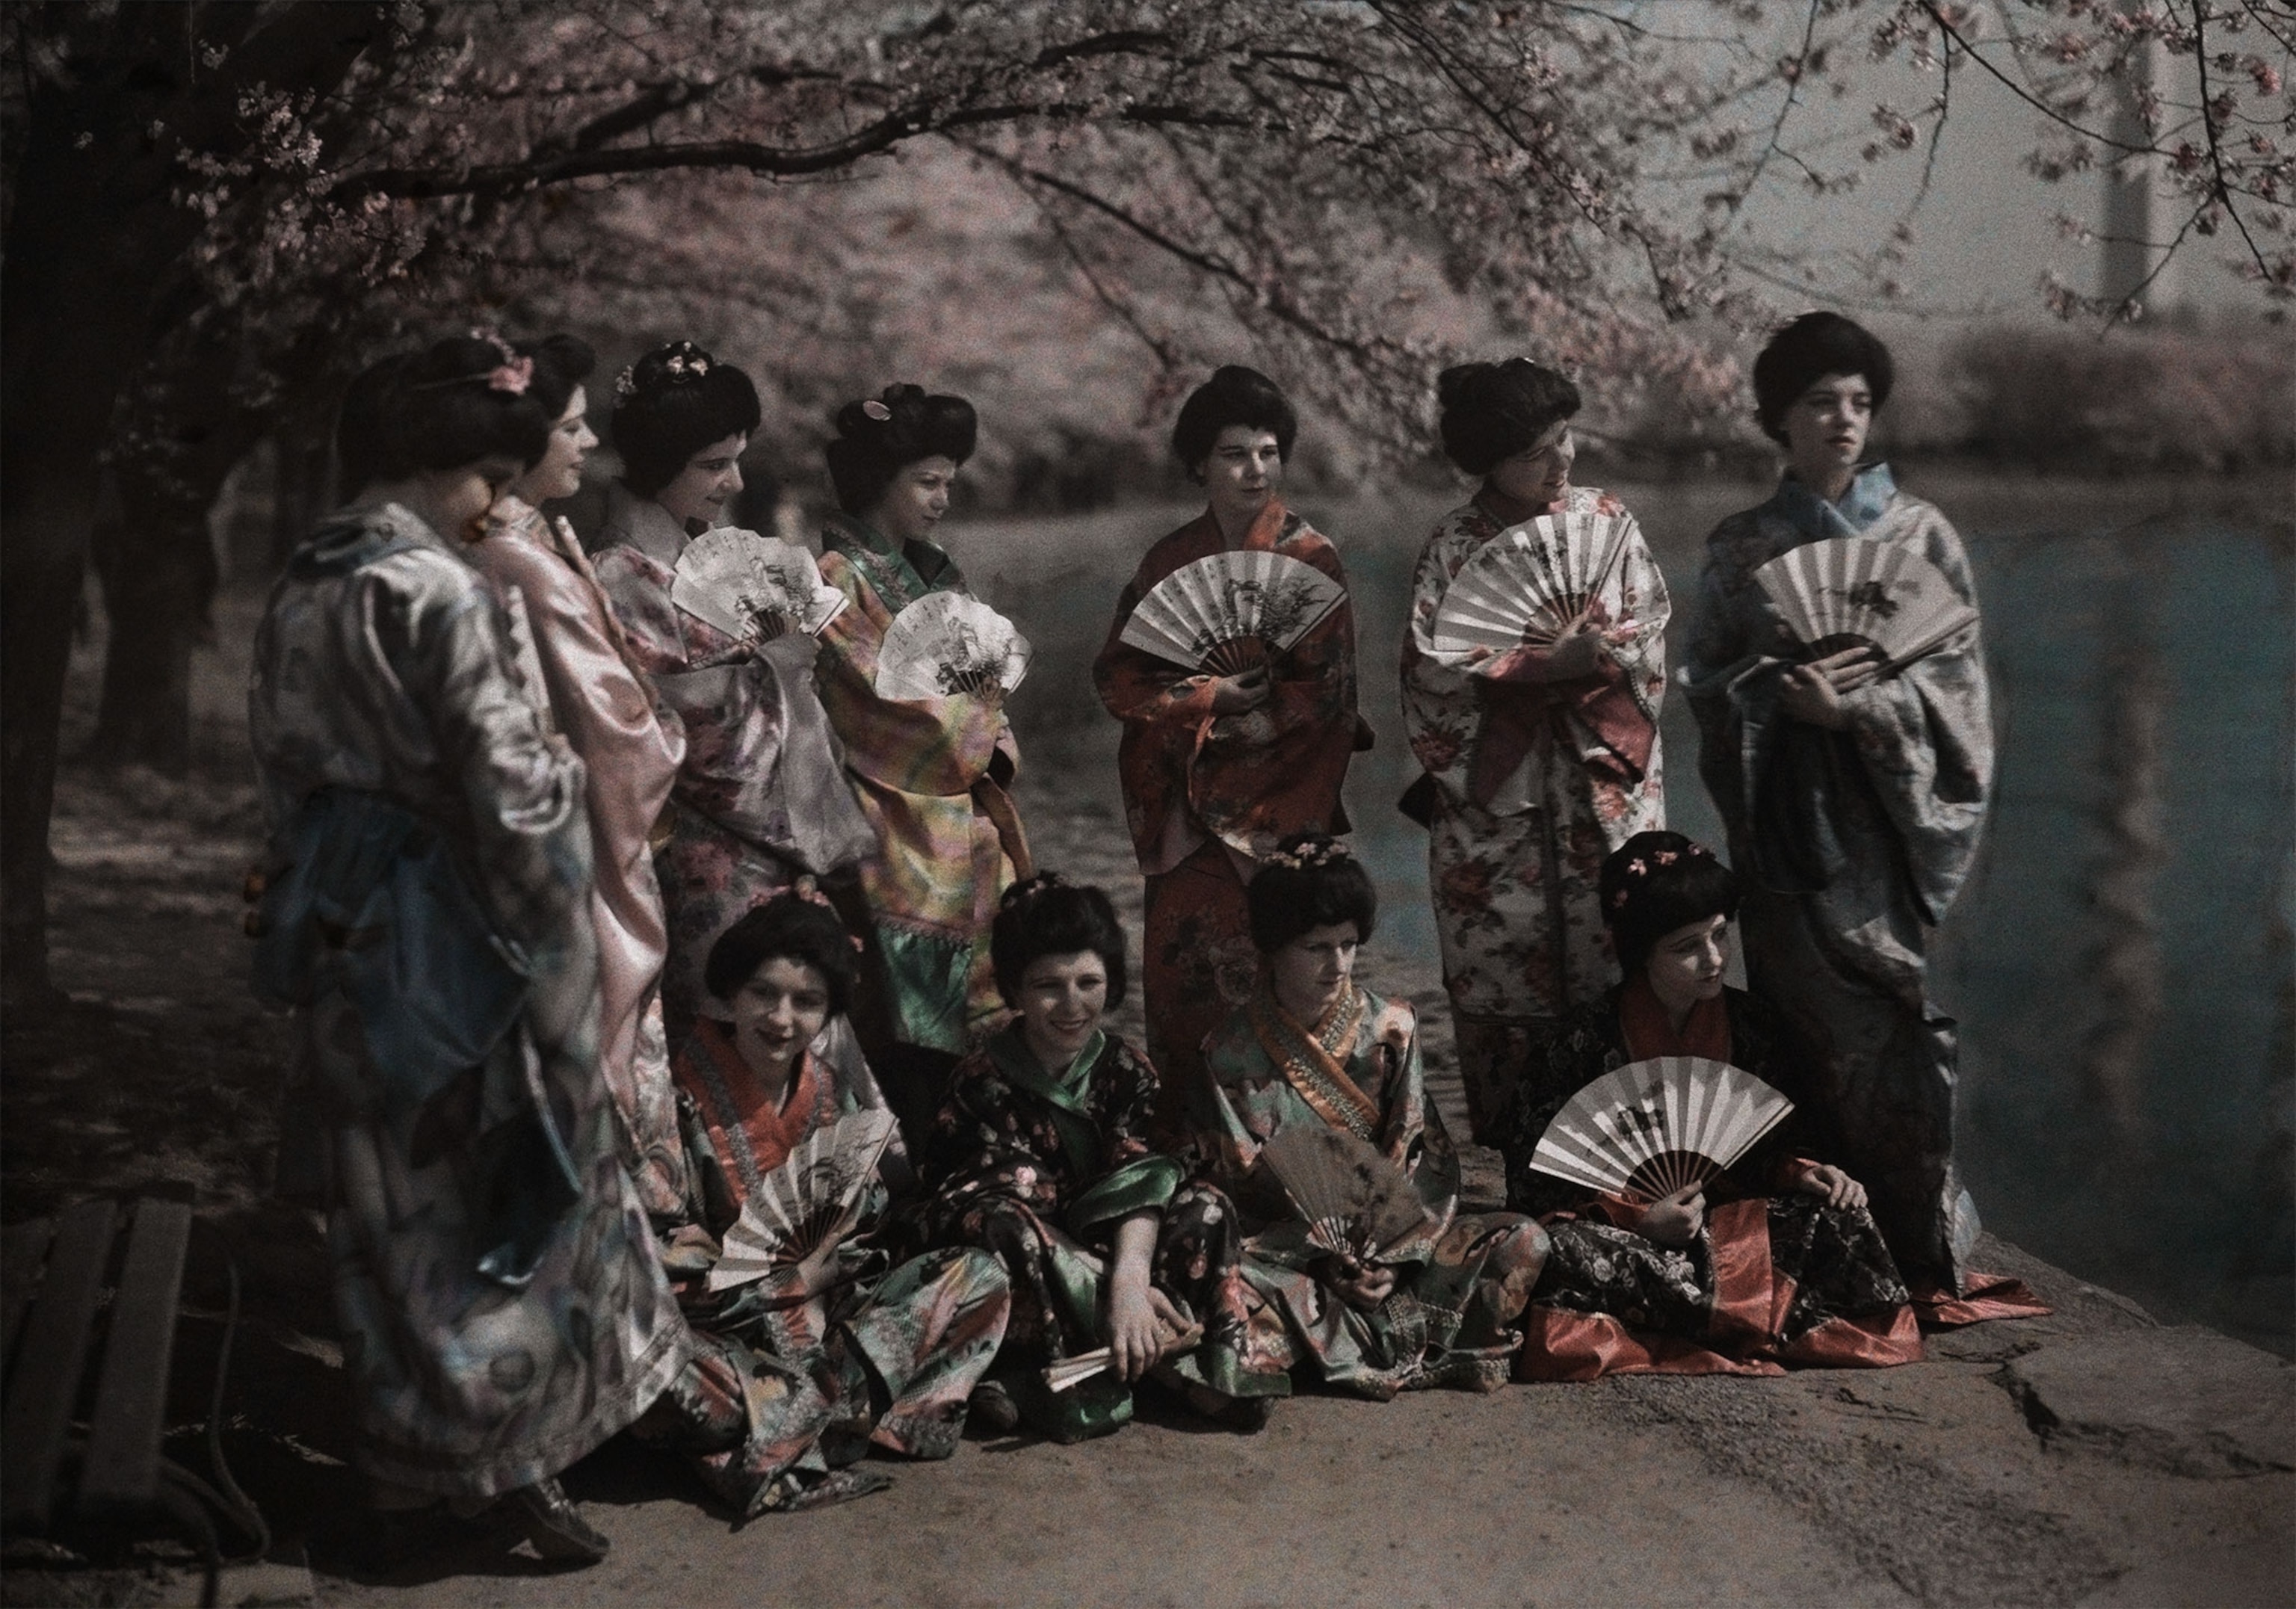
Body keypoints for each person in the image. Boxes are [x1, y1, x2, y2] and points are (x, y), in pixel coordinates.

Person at [247, 336, 688, 1563]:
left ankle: (402, 1474)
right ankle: (500, 1476)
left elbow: (281, 759)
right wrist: (552, 948)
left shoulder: (310, 574)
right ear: (474, 467)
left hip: (342, 919)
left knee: (386, 1209)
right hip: (455, 937)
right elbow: (521, 791)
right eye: (497, 466)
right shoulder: (439, 590)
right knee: (497, 1206)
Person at [1680, 312, 2037, 1316]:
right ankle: (1826, 1257)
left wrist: (1867, 707)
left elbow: (1959, 698)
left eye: (1858, 403)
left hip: (1889, 836)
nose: (1843, 420)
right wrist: (1771, 696)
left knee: (1899, 1030)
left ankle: (1920, 1250)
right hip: (1789, 833)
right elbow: (1707, 688)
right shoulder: (1742, 545)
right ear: (1778, 419)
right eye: (1819, 402)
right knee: (1803, 1035)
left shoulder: (1923, 537)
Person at [1498, 832, 1926, 1378]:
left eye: (1721, 935)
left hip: (1734, 1227)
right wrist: (1639, 1217)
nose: (1714, 958)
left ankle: (1705, 1316)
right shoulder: (1582, 1042)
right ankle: (1745, 1318)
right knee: (1560, 1250)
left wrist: (1806, 1172)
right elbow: (1535, 1180)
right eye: (1687, 947)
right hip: (1634, 1239)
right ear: (1640, 954)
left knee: (1841, 1218)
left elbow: (1777, 1141)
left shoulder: (1753, 1027)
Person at [641, 895, 1013, 1513]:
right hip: (724, 1329)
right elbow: (664, 1250)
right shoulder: (677, 1098)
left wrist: (840, 1246)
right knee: (665, 1364)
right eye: (764, 992)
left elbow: (854, 1220)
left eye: (807, 1002)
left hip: (823, 1326)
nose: (781, 1018)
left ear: (828, 1015)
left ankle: (829, 1419)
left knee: (978, 1276)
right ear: (731, 990)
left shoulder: (826, 1091)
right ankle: (831, 1418)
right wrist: (784, 1282)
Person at [901, 876, 1280, 1443]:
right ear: (1014, 989)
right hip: (1040, 1254)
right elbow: (990, 1200)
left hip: (1120, 1254)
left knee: (1206, 1205)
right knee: (1003, 1229)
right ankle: (1131, 1358)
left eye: (1089, 982)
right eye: (1048, 985)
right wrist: (1120, 1287)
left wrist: (1131, 1278)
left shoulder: (1127, 1067)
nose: (1072, 1005)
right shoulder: (981, 1080)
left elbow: (1146, 1177)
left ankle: (1140, 1349)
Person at [1400, 359, 1670, 1145]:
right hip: (1498, 813)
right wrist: (1533, 669)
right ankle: (1521, 1172)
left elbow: (1648, 637)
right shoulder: (1452, 548)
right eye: (1535, 454)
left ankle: (1623, 1180)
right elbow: (1430, 679)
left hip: (1599, 795)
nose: (1562, 463)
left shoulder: (1609, 522)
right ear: (1487, 461)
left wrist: (1593, 664)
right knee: (1502, 991)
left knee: (1619, 974)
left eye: (1566, 440)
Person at [1093, 365, 1367, 1129]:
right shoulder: (1166, 562)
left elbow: (1330, 700)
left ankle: (1301, 1171)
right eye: (1235, 453)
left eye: (1269, 452)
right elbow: (1120, 679)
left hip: (1280, 818)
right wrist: (1207, 697)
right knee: (1189, 998)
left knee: (1291, 999)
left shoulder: (1312, 559)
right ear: (1199, 466)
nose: (1255, 469)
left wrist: (1251, 737)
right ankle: (1191, 1161)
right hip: (1187, 826)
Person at [592, 341, 873, 1051]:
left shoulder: (691, 553)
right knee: (732, 1034)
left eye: (736, 458)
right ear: (659, 466)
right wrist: (776, 671)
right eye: (713, 465)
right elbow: (692, 734)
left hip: (764, 850)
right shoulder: (624, 574)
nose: (732, 482)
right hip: (703, 852)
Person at [1194, 836, 1548, 1398]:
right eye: (1316, 947)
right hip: (1296, 1258)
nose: (1337, 964)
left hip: (1395, 1249)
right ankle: (1419, 1342)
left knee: (1523, 1240)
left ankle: (1353, 1337)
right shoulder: (1230, 1051)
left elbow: (1417, 1151)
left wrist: (1393, 1257)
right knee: (1234, 1286)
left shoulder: (1393, 1026)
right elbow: (1241, 1179)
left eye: (1348, 944)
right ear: (1273, 947)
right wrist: (1328, 1257)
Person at [468, 334, 690, 1216]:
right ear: (522, 445)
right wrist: (668, 729)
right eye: (571, 427)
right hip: (574, 828)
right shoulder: (520, 559)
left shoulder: (528, 539)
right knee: (592, 1023)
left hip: (570, 822)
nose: (590, 443)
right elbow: (615, 727)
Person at [812, 384, 1030, 1143]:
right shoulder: (837, 581)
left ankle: (980, 1142)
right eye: (927, 482)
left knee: (991, 1012)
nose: (943, 498)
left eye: (948, 481)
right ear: (879, 480)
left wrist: (985, 721)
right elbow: (890, 708)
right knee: (907, 1028)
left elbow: (987, 686)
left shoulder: (936, 573)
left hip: (963, 819)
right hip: (890, 817)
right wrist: (978, 721)